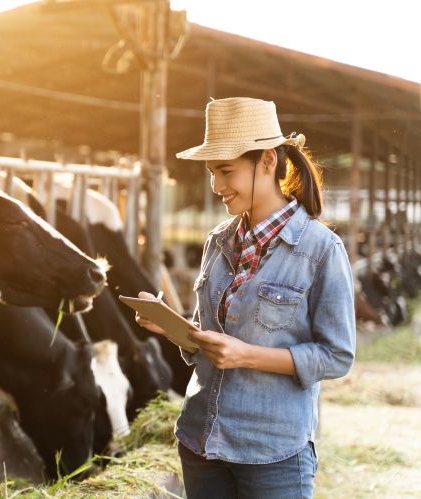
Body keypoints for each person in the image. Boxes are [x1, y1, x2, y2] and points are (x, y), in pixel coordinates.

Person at [135, 97, 355, 499]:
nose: (216, 186)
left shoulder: (321, 249)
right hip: (202, 442)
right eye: (211, 172)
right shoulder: (217, 241)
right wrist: (171, 326)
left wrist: (246, 355)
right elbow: (210, 341)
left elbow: (337, 355)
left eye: (226, 171)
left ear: (267, 162)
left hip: (272, 453)